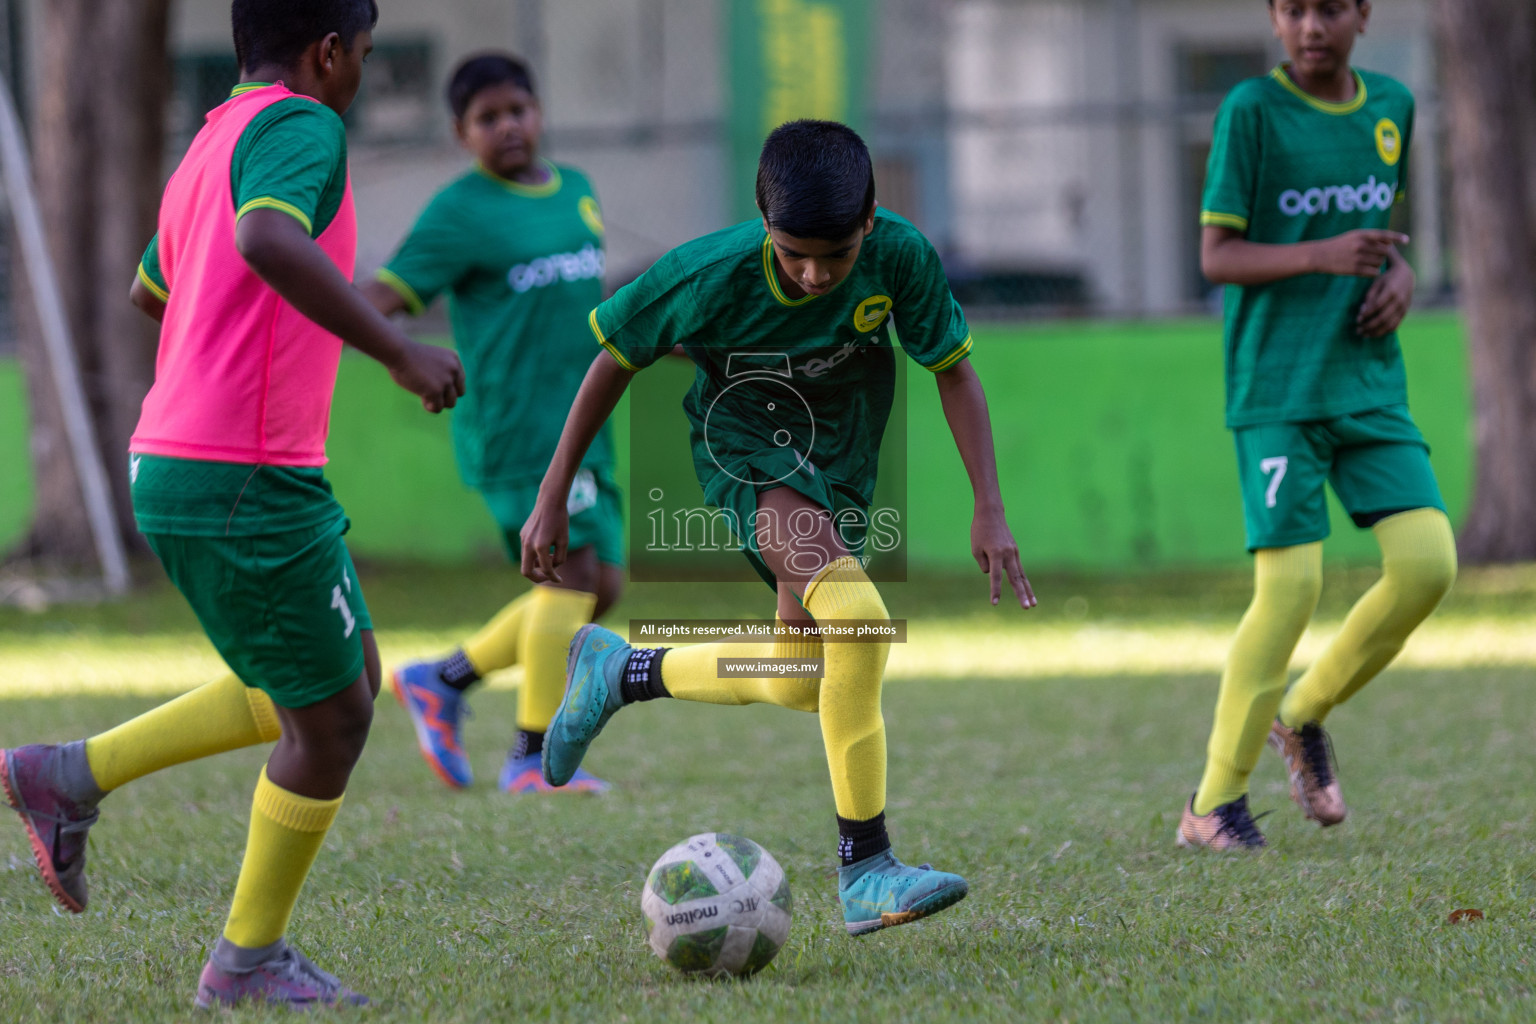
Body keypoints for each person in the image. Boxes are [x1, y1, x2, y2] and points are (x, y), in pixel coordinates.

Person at [1, 0, 464, 1007]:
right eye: (365, 58)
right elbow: (263, 239)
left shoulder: (210, 140)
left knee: (343, 678)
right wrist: (396, 349)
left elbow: (150, 292)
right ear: (329, 51)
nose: (357, 77)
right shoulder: (302, 124)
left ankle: (68, 775)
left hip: (196, 455)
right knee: (333, 721)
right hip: (240, 466)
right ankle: (245, 963)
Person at [520, 119, 1035, 936]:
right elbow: (614, 356)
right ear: (765, 224)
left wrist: (990, 505)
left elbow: (955, 372)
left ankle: (623, 672)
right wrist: (554, 492)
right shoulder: (708, 273)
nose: (813, 273)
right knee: (861, 625)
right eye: (794, 252)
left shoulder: (900, 256)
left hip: (843, 464)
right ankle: (866, 867)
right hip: (747, 448)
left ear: (870, 221)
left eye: (834, 255)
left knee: (803, 676)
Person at [1178, 0, 1456, 850]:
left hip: (1369, 386)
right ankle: (1213, 807)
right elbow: (1217, 257)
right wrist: (1319, 255)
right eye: (1292, 9)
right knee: (1290, 590)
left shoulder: (1392, 107)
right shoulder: (1250, 112)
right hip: (1279, 391)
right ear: (1272, 17)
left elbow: (1384, 238)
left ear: (1363, 15)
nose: (1310, 26)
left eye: (1329, 8)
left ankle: (1302, 713)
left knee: (1428, 567)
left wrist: (1401, 275)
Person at [364, 54, 620, 795]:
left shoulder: (578, 191)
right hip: (517, 433)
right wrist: (393, 352)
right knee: (568, 578)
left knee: (602, 586)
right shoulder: (460, 211)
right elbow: (381, 298)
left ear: (539, 112)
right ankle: (533, 758)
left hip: (584, 423)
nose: (507, 126)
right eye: (487, 118)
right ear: (460, 132)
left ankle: (443, 679)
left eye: (518, 110)